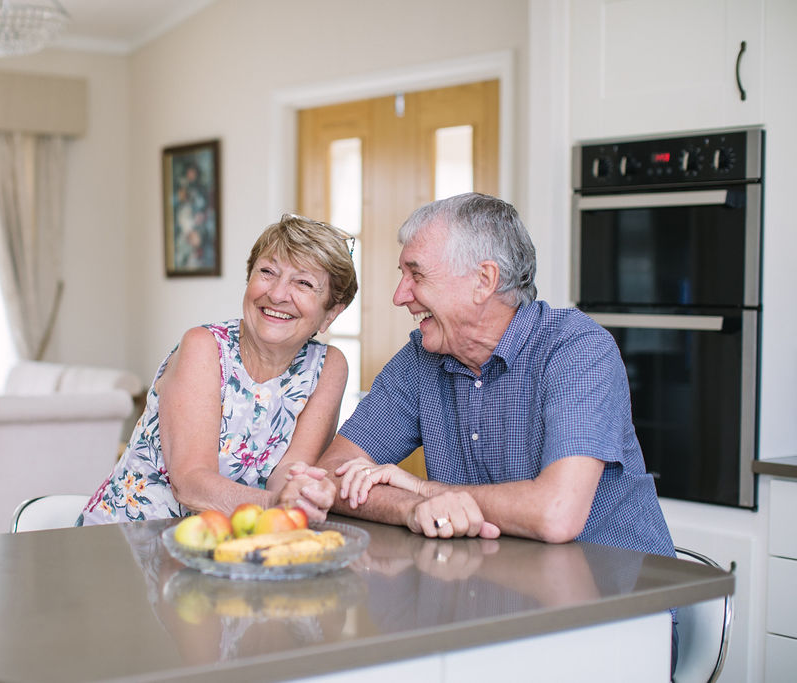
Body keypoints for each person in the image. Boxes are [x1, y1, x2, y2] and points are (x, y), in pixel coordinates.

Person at [314, 192, 679, 673]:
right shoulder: (421, 362)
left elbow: (555, 514)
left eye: (415, 274)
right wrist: (416, 508)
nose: (399, 295)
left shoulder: (577, 349)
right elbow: (328, 477)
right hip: (482, 614)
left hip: (608, 625)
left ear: (483, 280)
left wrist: (425, 488)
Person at [80, 213, 357, 525]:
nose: (277, 294)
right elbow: (190, 482)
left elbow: (290, 475)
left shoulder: (327, 367)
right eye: (267, 272)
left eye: (303, 283)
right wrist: (275, 505)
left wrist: (296, 498)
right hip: (129, 538)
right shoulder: (204, 347)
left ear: (330, 314)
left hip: (227, 545)